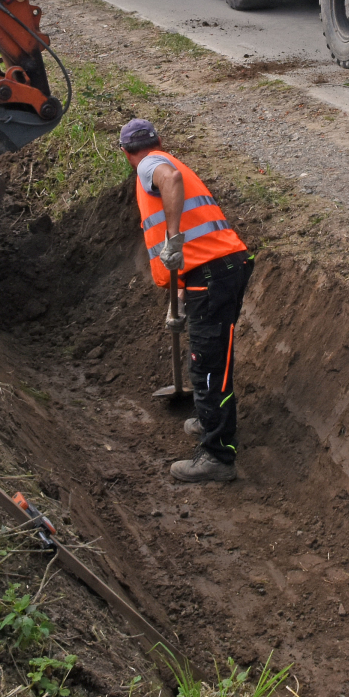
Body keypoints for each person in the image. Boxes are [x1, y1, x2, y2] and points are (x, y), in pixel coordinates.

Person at [119, 118, 253, 483]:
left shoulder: (150, 165)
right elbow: (200, 238)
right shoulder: (172, 161)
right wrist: (178, 299)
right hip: (225, 267)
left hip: (212, 275)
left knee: (208, 369)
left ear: (125, 153)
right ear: (159, 139)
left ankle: (217, 457)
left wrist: (173, 239)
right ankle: (211, 422)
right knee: (215, 361)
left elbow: (170, 182)